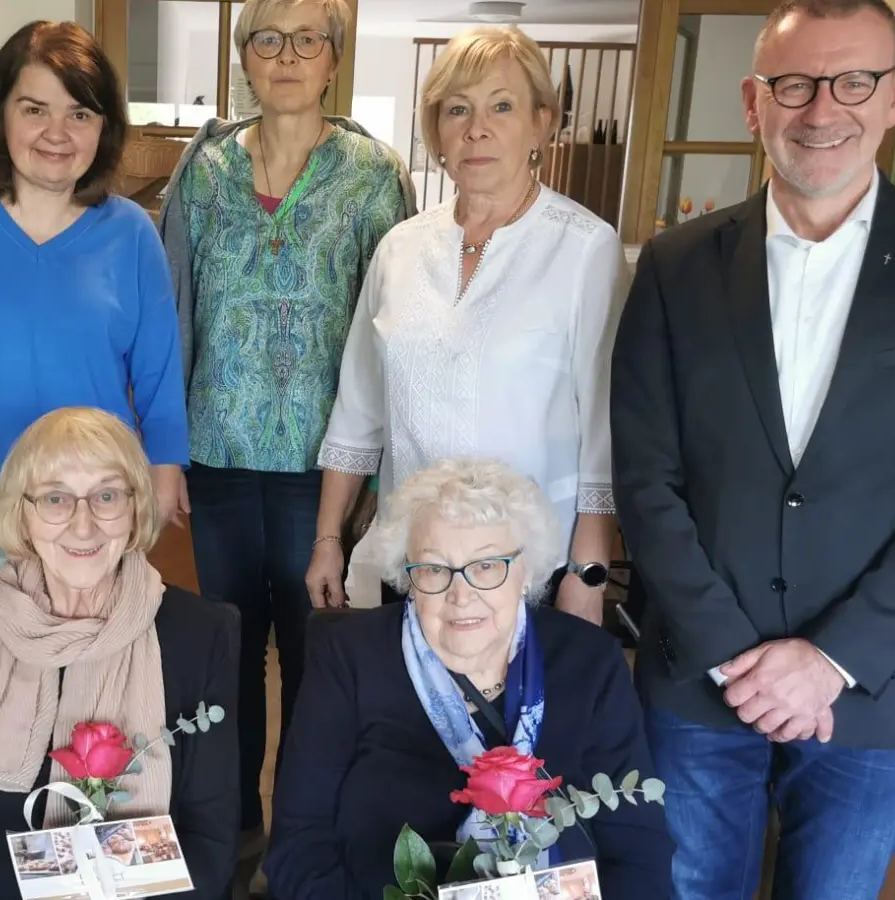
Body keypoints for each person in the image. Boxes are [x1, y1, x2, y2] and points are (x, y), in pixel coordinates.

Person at [609, 1, 895, 897]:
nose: (821, 109)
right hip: (701, 675)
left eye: (854, 81)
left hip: (877, 684)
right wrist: (733, 648)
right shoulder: (676, 265)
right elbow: (646, 478)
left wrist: (828, 661)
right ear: (753, 101)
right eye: (793, 83)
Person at [156, 0, 414, 861]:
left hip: (327, 463)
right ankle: (227, 837)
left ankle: (308, 839)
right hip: (218, 449)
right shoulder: (202, 169)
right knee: (225, 652)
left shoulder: (374, 174)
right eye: (268, 38)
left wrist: (378, 474)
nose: (288, 54)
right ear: (245, 58)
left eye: (309, 39)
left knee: (317, 657)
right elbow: (174, 310)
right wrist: (163, 448)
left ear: (334, 60)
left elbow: (393, 323)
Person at [306, 25, 623, 623]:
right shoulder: (400, 248)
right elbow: (359, 411)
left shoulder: (585, 248)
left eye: (501, 106)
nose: (477, 128)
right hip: (413, 560)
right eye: (458, 109)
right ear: (437, 133)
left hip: (529, 570)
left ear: (541, 122)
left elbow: (603, 430)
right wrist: (328, 540)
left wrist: (589, 571)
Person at [265, 459, 673, 899]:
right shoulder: (350, 658)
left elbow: (638, 851)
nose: (462, 595)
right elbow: (299, 845)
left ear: (526, 571)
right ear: (408, 576)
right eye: (434, 568)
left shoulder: (590, 662)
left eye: (487, 566)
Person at [0, 407, 239, 900]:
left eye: (107, 496)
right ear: (21, 513)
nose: (83, 525)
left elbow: (210, 844)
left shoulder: (199, 634)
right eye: (54, 499)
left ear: (136, 508)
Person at [0, 21, 188, 601]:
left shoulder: (131, 234)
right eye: (34, 109)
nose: (57, 133)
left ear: (104, 127)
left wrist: (163, 483)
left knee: (92, 685)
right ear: (1, 114)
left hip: (92, 517)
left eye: (80, 113)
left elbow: (160, 380)